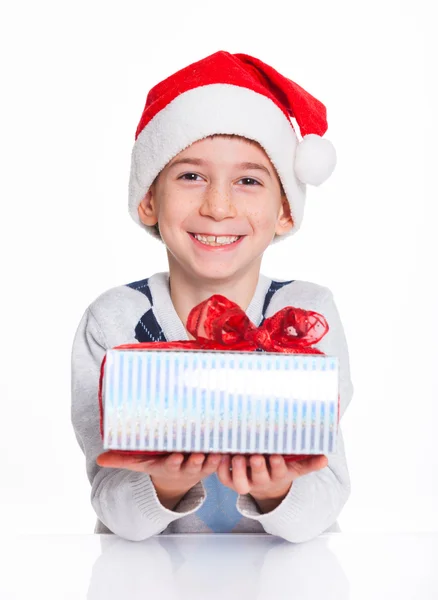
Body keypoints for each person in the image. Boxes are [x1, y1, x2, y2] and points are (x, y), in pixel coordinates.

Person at [71, 50, 354, 543]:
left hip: (291, 580)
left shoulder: (306, 315)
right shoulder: (114, 320)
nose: (218, 206)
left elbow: (325, 497)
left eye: (248, 181)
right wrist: (161, 485)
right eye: (190, 175)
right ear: (148, 199)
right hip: (143, 580)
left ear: (285, 210)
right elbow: (113, 506)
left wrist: (278, 491)